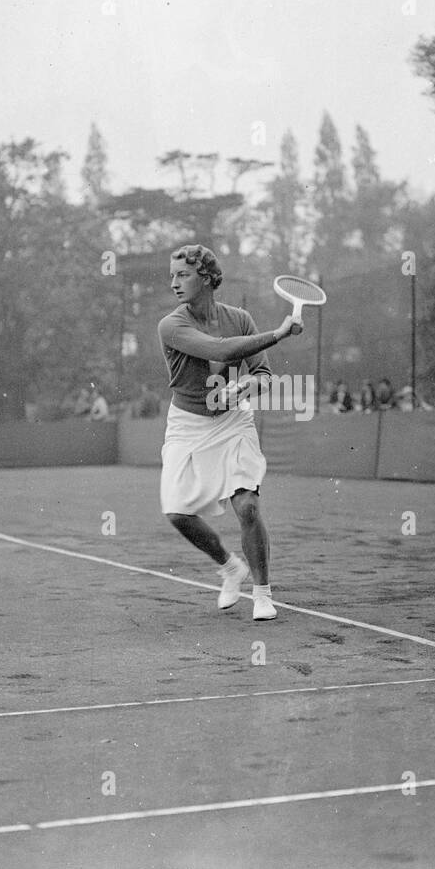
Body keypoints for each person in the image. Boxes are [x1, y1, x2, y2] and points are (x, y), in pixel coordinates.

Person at [157, 243, 304, 622]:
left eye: (182, 275)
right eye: (172, 275)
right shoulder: (172, 325)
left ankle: (262, 593)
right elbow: (220, 351)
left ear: (206, 278)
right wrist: (279, 333)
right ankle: (228, 566)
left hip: (233, 421)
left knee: (248, 506)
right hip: (187, 426)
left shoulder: (239, 318)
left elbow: (263, 376)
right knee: (176, 512)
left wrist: (243, 388)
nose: (174, 283)